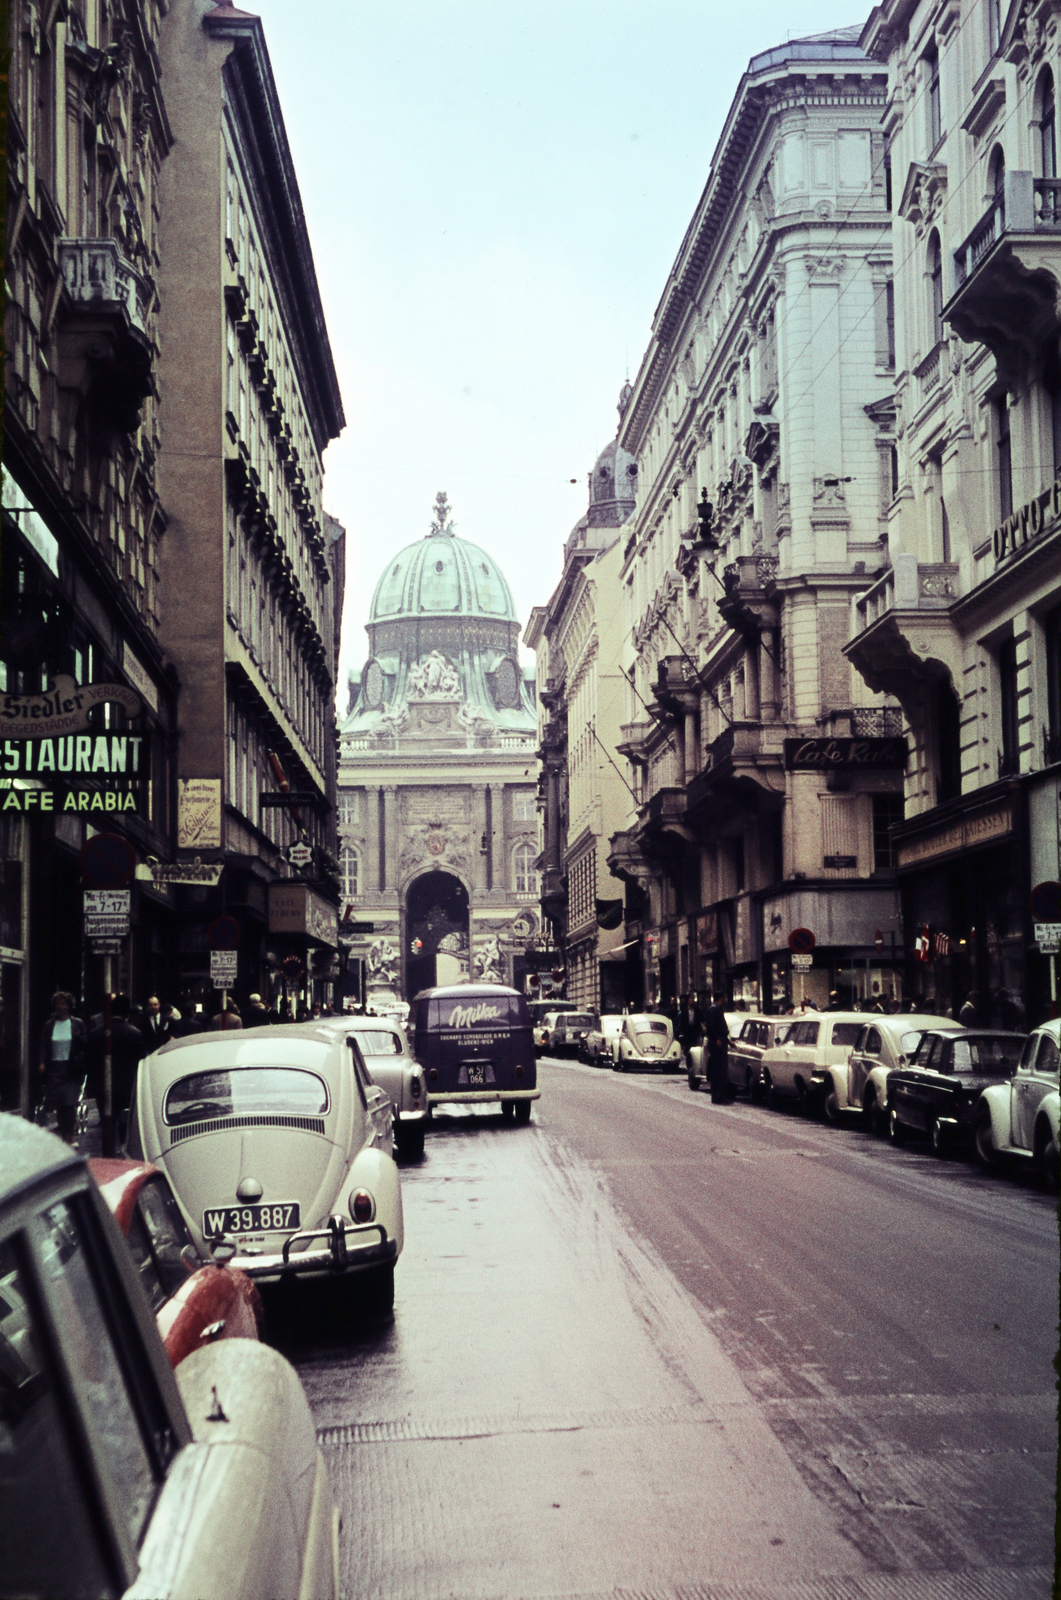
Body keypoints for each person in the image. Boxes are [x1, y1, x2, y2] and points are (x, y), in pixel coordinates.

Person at [86, 995, 145, 1146]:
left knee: (107, 1122)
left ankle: (109, 1151)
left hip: (103, 1085)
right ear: (127, 1013)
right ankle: (123, 1149)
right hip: (126, 1086)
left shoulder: (97, 1033)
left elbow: (89, 1059)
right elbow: (141, 1059)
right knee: (125, 1123)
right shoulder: (134, 1033)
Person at [39, 991, 87, 1144]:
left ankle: (71, 1134)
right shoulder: (49, 1025)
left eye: (63, 1003)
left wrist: (78, 1036)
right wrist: (42, 1062)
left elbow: (85, 1046)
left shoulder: (77, 1023)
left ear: (69, 1006)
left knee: (70, 1103)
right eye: (57, 1003)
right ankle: (63, 1136)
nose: (60, 1007)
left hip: (71, 1068)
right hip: (55, 1068)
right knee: (60, 1105)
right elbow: (44, 1046)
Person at [703, 995, 732, 1104]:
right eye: (724, 997)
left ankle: (721, 1095)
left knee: (722, 1070)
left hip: (720, 1041)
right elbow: (712, 1027)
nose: (725, 999)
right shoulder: (714, 1009)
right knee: (718, 1070)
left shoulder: (717, 1009)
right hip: (717, 1043)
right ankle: (718, 1096)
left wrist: (728, 1040)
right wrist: (717, 1039)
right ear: (721, 998)